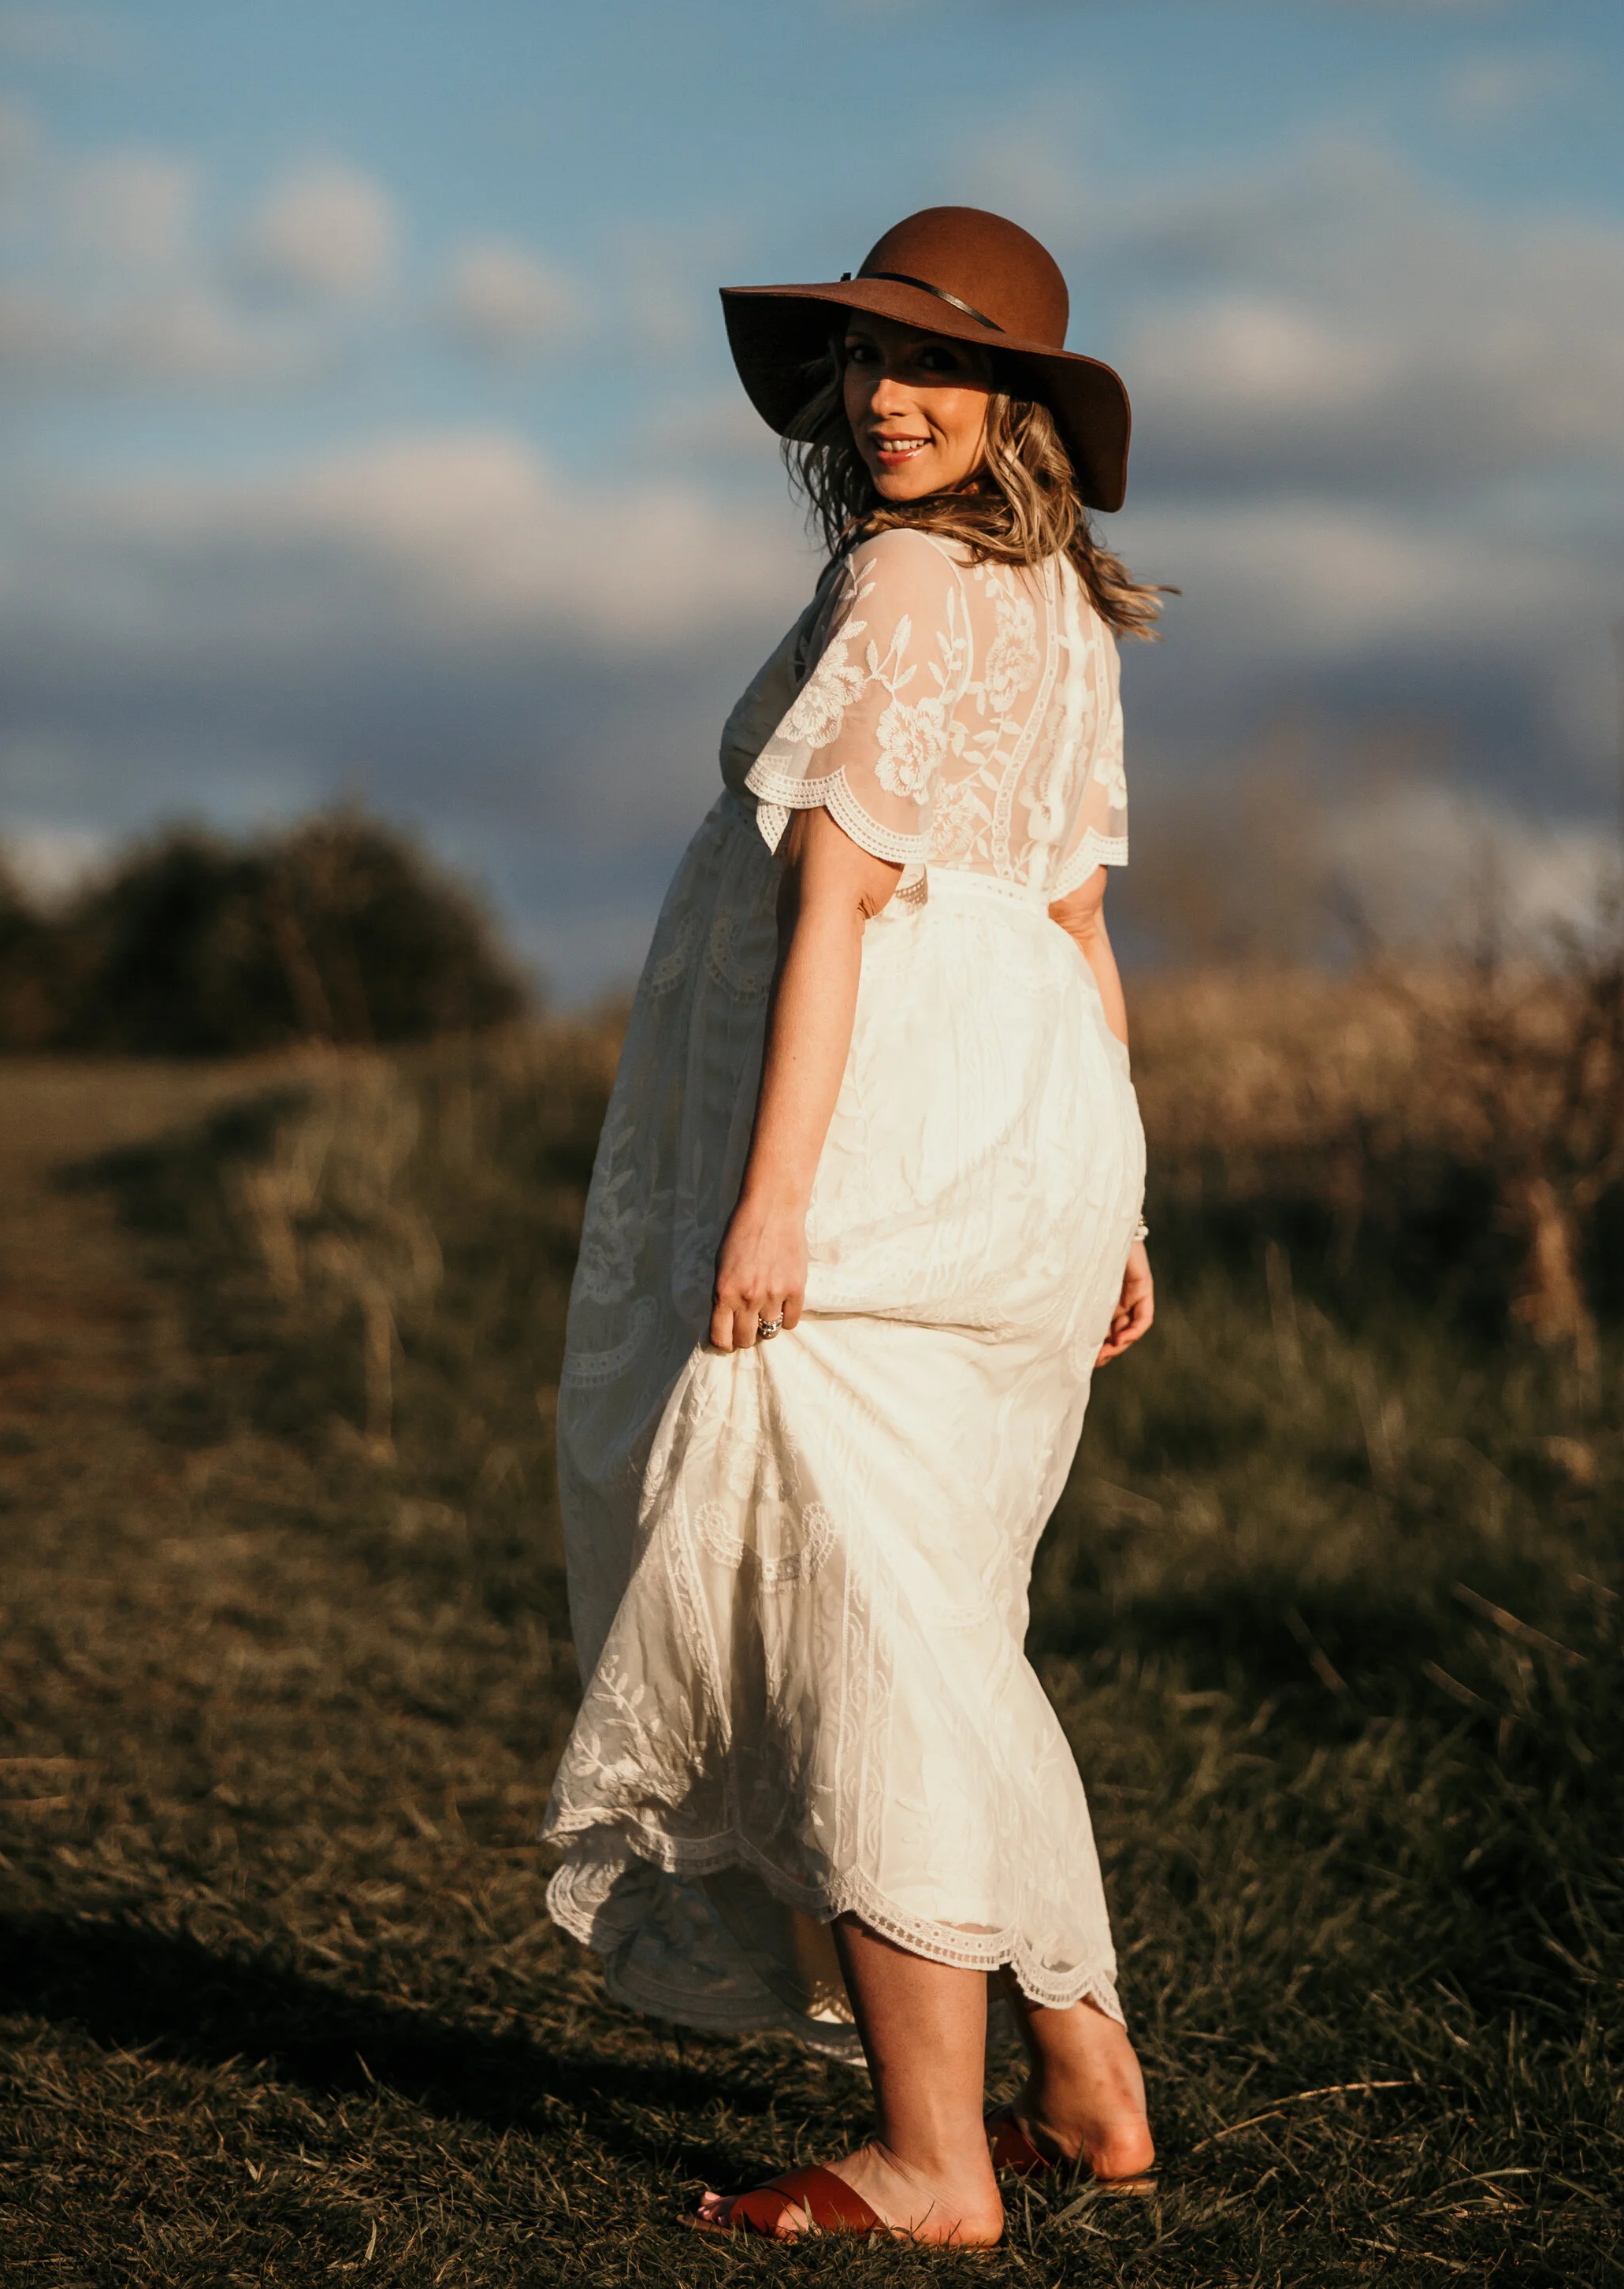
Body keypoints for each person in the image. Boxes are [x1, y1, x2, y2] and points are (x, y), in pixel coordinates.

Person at [542, 205, 1161, 2245]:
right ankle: (1080, 2076)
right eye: (868, 362)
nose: (887, 399)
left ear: (1015, 409)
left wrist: (773, 1194)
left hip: (894, 1139)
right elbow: (1075, 917)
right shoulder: (1066, 603)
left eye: (938, 367)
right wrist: (1120, 1188)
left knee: (866, 1622)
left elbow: (840, 900)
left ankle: (929, 2156)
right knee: (939, 1613)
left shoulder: (901, 579)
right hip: (1035, 1136)